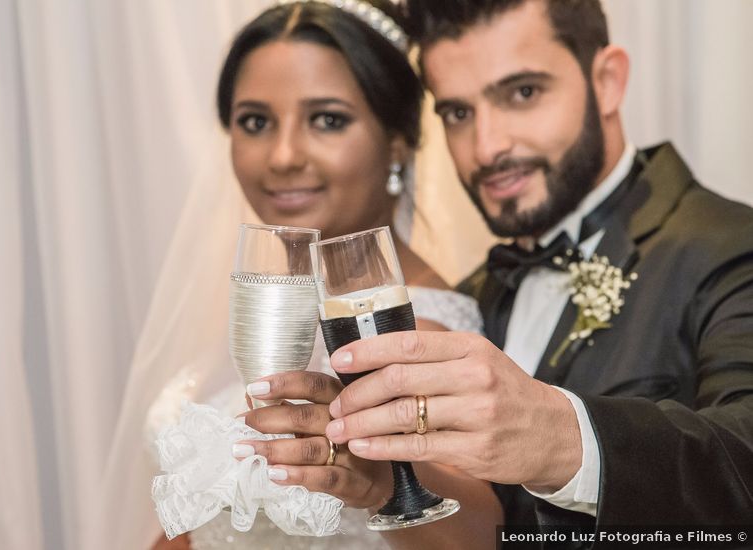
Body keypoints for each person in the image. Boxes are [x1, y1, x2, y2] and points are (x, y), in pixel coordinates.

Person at [304, 0, 753, 543]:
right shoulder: (470, 297)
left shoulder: (730, 245)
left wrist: (560, 438)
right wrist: (383, 478)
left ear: (608, 81)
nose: (488, 147)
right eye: (458, 113)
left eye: (523, 93)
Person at [130, 1, 502, 549]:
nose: (282, 155)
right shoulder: (270, 312)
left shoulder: (414, 333)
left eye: (327, 119)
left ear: (397, 142)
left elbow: (486, 533)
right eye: (255, 122)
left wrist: (377, 483)